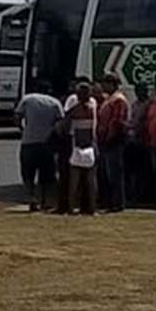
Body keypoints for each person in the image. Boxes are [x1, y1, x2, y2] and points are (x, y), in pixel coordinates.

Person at [15, 80, 65, 213]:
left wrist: (22, 129)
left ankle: (32, 199)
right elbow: (60, 123)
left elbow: (17, 116)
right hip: (46, 143)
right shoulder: (55, 102)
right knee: (47, 175)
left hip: (28, 142)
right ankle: (46, 201)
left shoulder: (27, 99)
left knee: (28, 174)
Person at [58, 76, 96, 214]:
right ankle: (90, 208)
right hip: (88, 143)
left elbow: (66, 126)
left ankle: (71, 208)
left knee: (76, 180)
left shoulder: (75, 109)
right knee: (89, 180)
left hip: (78, 144)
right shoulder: (92, 105)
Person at [97, 73, 130, 212]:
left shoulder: (118, 100)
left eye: (106, 83)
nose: (103, 86)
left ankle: (117, 203)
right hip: (106, 140)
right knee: (107, 173)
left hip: (113, 140)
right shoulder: (109, 99)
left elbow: (116, 121)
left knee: (114, 174)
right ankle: (110, 202)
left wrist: (109, 137)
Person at [126, 82, 151, 203]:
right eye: (138, 90)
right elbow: (132, 120)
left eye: (142, 90)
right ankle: (132, 194)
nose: (140, 93)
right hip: (132, 140)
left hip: (143, 141)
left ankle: (142, 195)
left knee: (142, 171)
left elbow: (148, 122)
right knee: (132, 170)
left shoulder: (149, 105)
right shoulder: (134, 104)